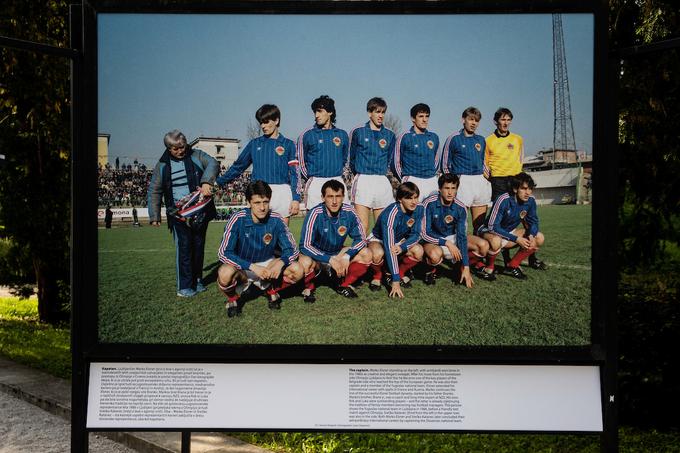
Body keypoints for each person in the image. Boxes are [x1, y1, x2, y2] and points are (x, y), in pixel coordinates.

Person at [216, 181, 303, 317]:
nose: (262, 207)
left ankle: (271, 290)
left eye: (265, 202)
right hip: (243, 267)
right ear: (249, 203)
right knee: (225, 273)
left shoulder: (276, 219)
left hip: (268, 265)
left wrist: (280, 263)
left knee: (297, 270)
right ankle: (233, 299)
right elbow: (223, 253)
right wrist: (252, 267)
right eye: (257, 203)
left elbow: (292, 249)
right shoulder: (238, 219)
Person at [147, 130, 218, 297]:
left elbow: (213, 163)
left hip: (200, 211)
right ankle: (184, 286)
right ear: (168, 148)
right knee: (184, 248)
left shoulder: (196, 154)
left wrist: (207, 181)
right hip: (177, 214)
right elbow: (154, 190)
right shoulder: (162, 165)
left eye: (183, 147)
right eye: (176, 149)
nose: (181, 151)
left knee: (198, 247)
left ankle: (197, 280)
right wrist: (154, 215)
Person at [485, 107, 547, 270]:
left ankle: (532, 257)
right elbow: (484, 163)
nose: (505, 123)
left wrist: (519, 178)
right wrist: (492, 177)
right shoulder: (488, 140)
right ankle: (505, 258)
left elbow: (521, 159)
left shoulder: (518, 139)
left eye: (508, 119)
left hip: (515, 178)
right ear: (496, 121)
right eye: (502, 119)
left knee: (525, 218)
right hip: (498, 180)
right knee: (503, 217)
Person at [217, 104, 300, 224]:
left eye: (266, 122)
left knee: (282, 236)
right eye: (261, 123)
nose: (263, 126)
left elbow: (295, 174)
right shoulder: (254, 144)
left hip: (282, 193)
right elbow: (238, 167)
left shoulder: (289, 144)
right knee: (258, 235)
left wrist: (296, 199)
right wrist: (219, 182)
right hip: (259, 192)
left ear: (276, 120)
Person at [298, 180, 372, 300]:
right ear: (323, 197)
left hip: (337, 253)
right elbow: (305, 246)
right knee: (305, 262)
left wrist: (347, 256)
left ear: (343, 197)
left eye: (338, 196)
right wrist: (329, 260)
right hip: (317, 257)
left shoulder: (349, 212)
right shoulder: (315, 213)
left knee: (366, 253)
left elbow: (361, 239)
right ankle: (309, 287)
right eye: (330, 196)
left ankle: (342, 285)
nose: (334, 201)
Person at [421, 174, 494, 288]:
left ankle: (460, 266)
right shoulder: (428, 203)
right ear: (440, 189)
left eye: (453, 188)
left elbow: (461, 236)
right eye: (446, 188)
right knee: (435, 255)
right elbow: (425, 233)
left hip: (453, 237)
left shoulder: (460, 207)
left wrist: (466, 266)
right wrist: (446, 243)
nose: (450, 192)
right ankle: (430, 270)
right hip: (434, 239)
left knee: (483, 246)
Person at [477, 172, 546, 279]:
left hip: (508, 233)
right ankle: (489, 267)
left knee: (539, 237)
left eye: (530, 189)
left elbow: (533, 222)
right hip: (488, 232)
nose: (527, 192)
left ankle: (512, 265)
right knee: (496, 241)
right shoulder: (503, 199)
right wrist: (516, 239)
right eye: (523, 188)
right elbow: (492, 226)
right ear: (515, 189)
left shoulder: (530, 201)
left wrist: (531, 234)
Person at [367, 182, 424, 298]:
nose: (414, 202)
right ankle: (378, 276)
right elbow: (389, 247)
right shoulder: (391, 214)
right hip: (379, 239)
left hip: (400, 240)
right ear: (399, 199)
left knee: (418, 251)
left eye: (415, 197)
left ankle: (400, 272)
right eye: (409, 198)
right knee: (378, 254)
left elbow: (416, 234)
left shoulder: (419, 209)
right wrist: (396, 281)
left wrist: (403, 247)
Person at [348, 97, 397, 234]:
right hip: (363, 179)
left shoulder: (389, 134)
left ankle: (381, 255)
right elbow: (352, 157)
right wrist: (359, 172)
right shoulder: (357, 132)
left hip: (381, 179)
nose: (380, 115)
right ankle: (362, 254)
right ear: (369, 113)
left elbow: (389, 158)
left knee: (383, 227)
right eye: (377, 112)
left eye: (383, 112)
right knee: (362, 227)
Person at [442, 106, 491, 232]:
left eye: (477, 121)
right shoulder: (453, 138)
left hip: (479, 181)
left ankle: (477, 251)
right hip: (463, 182)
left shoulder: (481, 140)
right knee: (460, 225)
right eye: (471, 119)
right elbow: (445, 165)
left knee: (479, 226)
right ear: (463, 120)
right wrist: (453, 184)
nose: (474, 123)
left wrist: (487, 178)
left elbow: (483, 162)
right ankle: (459, 250)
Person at [296, 95, 350, 209]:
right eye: (315, 112)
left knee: (342, 222)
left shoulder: (342, 135)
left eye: (320, 111)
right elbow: (300, 163)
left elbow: (344, 159)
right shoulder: (307, 135)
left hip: (337, 181)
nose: (316, 115)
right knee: (316, 221)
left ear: (330, 112)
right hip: (316, 182)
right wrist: (312, 177)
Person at [392, 103, 441, 202]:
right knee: (412, 215)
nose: (424, 119)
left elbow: (436, 161)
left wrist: (430, 173)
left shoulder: (434, 137)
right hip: (412, 180)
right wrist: (405, 178)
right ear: (413, 118)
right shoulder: (404, 137)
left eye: (427, 116)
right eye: (421, 116)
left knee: (432, 214)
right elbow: (395, 163)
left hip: (431, 181)